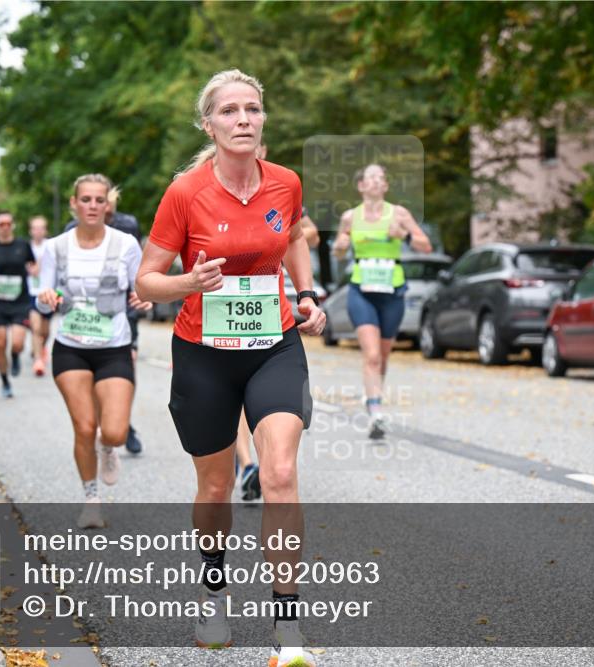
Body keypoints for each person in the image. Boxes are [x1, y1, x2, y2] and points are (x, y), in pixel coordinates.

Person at [136, 68, 324, 667]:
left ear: (263, 119)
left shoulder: (286, 182)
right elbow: (147, 280)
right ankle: (214, 588)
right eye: (229, 111)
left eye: (252, 109)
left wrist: (306, 295)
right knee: (215, 487)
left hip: (274, 346)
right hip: (204, 355)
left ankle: (288, 629)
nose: (243, 119)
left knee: (281, 472)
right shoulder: (186, 193)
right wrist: (189, 281)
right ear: (209, 123)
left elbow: (293, 235)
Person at [36, 174, 151, 529]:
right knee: (84, 426)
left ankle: (108, 447)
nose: (92, 206)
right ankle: (91, 500)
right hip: (71, 347)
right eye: (85, 199)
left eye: (99, 200)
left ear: (108, 205)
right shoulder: (54, 247)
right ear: (74, 204)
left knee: (113, 431)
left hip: (115, 346)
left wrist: (142, 299)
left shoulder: (127, 244)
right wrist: (46, 300)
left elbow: (143, 287)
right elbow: (43, 299)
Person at [233, 144, 320, 503]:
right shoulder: (203, 189)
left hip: (272, 314)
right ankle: (246, 463)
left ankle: (265, 467)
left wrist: (306, 294)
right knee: (234, 398)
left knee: (264, 398)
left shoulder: (283, 186)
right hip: (219, 320)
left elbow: (305, 234)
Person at [331, 164, 432, 439]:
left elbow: (425, 245)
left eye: (381, 178)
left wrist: (406, 235)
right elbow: (339, 251)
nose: (376, 182)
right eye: (370, 178)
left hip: (393, 290)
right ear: (361, 186)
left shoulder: (398, 213)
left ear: (385, 186)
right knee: (372, 355)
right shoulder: (351, 217)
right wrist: (340, 246)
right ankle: (376, 411)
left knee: (383, 356)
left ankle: (372, 395)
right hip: (361, 290)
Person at [64, 189, 146, 454]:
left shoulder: (128, 225)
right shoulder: (72, 229)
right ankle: (104, 422)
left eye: (107, 208)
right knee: (94, 375)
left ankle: (124, 423)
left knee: (127, 366)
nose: (102, 213)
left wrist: (142, 295)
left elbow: (137, 266)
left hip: (121, 310)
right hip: (86, 314)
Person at [0, 211, 36, 398]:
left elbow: (34, 265)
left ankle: (15, 356)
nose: (5, 227)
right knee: (1, 342)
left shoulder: (23, 245)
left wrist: (35, 270)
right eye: (1, 224)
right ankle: (5, 381)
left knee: (18, 343)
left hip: (20, 302)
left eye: (8, 223)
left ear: (13, 225)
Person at [27, 215, 53, 376]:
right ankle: (38, 360)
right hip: (32, 292)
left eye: (41, 228)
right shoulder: (25, 247)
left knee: (46, 330)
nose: (38, 231)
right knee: (36, 327)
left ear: (45, 230)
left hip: (48, 292)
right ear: (31, 231)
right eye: (35, 228)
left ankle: (42, 347)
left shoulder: (51, 246)